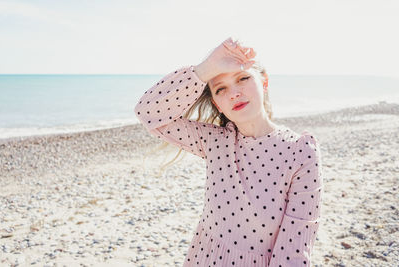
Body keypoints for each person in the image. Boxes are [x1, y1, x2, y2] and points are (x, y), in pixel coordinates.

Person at [134, 37, 323, 267]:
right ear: (216, 104)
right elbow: (148, 112)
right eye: (221, 89)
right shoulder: (214, 141)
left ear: (264, 82)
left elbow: (294, 251)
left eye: (243, 78)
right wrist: (205, 69)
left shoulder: (300, 152)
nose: (234, 93)